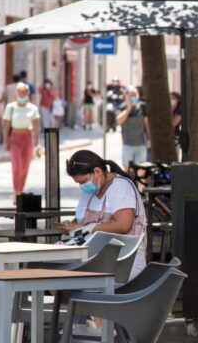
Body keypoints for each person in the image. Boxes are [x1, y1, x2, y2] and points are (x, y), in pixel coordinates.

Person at [64, 150, 147, 279]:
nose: (82, 186)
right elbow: (79, 221)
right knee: (47, 270)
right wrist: (71, 226)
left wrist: (87, 229)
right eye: (78, 183)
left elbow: (123, 225)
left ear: (97, 171)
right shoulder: (89, 192)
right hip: (92, 256)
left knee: (63, 276)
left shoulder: (120, 187)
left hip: (122, 260)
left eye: (83, 181)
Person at [2, 83, 41, 199]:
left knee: (25, 166)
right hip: (15, 137)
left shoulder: (33, 108)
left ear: (27, 93)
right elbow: (7, 126)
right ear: (16, 93)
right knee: (16, 166)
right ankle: (16, 192)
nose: (22, 95)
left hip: (27, 137)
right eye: (19, 92)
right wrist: (5, 141)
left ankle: (20, 190)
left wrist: (37, 143)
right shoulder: (11, 107)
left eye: (24, 92)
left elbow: (35, 128)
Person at [116, 86, 149, 169]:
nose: (133, 97)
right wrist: (128, 108)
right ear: (127, 96)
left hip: (141, 144)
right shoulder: (122, 107)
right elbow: (119, 120)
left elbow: (146, 125)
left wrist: (149, 139)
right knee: (127, 169)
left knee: (141, 170)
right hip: (128, 144)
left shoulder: (142, 107)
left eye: (135, 94)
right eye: (131, 95)